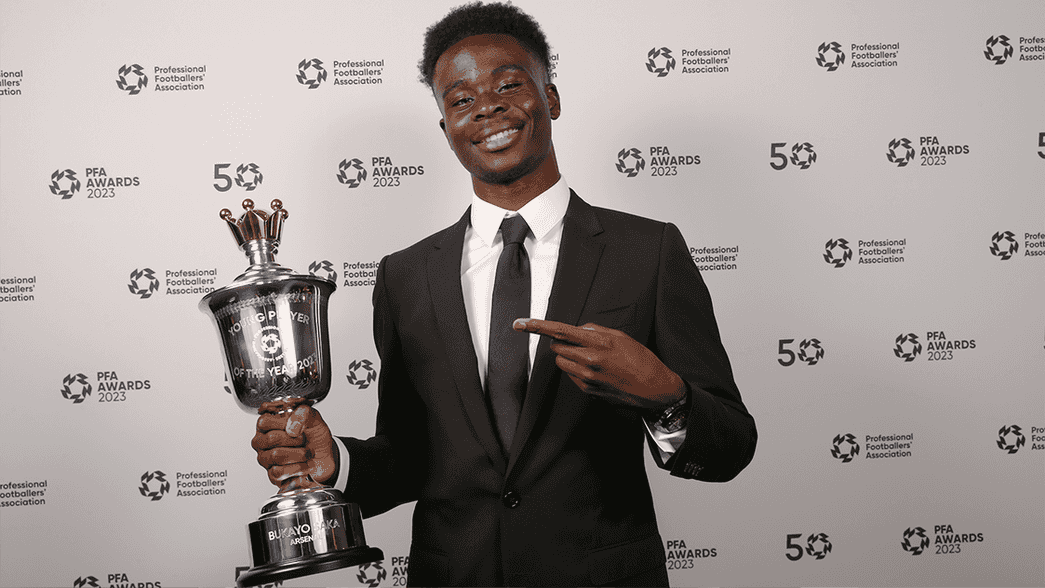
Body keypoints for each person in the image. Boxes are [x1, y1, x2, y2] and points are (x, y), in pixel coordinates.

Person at [253, 2, 756, 585]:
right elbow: (413, 459)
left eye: (509, 85)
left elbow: (731, 447)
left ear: (552, 98)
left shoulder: (648, 251)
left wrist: (663, 393)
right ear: (447, 130)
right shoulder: (403, 276)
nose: (487, 107)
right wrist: (337, 460)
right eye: (461, 100)